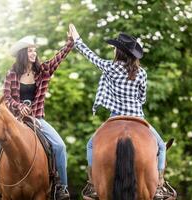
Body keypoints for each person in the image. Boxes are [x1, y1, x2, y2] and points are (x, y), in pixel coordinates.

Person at [69, 24, 176, 200]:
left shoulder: (109, 68)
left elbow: (90, 56)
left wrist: (77, 40)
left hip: (115, 117)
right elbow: (142, 98)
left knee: (90, 145)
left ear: (118, 52)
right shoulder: (141, 73)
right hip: (138, 117)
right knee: (162, 146)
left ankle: (92, 184)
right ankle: (159, 185)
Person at [0, 29, 74, 200]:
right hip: (14, 121)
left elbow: (57, 59)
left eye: (34, 50)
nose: (34, 53)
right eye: (30, 50)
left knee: (60, 146)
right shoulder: (12, 74)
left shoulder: (43, 71)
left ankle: (61, 187)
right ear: (23, 54)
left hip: (37, 119)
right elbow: (6, 98)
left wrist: (70, 43)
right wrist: (18, 106)